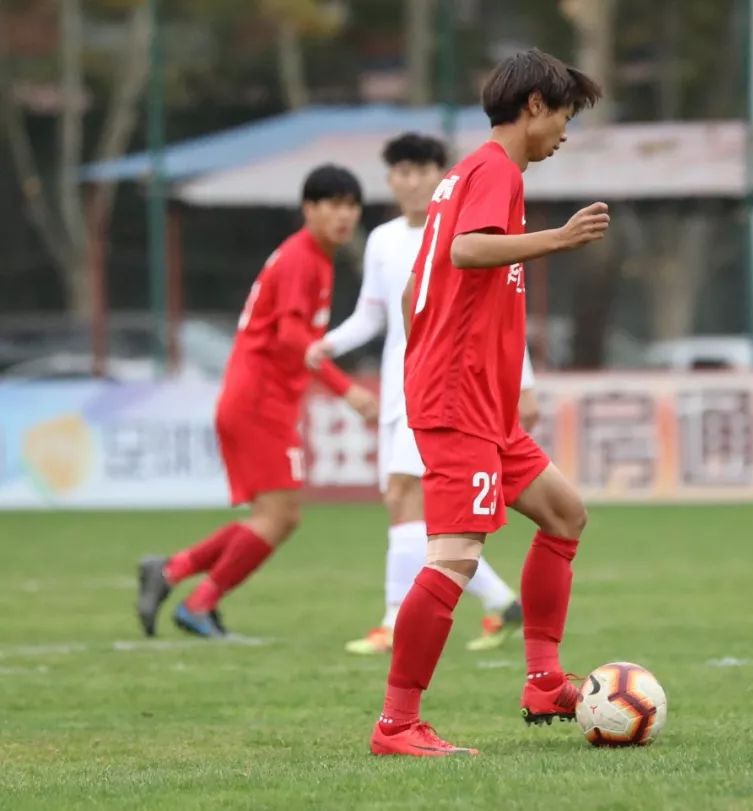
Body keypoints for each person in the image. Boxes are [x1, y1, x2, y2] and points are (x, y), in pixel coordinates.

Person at [368, 48, 607, 757]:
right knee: (455, 555)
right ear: (535, 105)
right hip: (461, 401)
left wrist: (434, 357)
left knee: (565, 513)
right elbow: (469, 251)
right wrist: (560, 240)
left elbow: (418, 288)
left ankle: (543, 680)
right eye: (563, 115)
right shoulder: (496, 171)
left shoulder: (464, 174)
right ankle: (397, 725)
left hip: (478, 400)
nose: (564, 132)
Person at [305, 133, 538, 655]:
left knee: (406, 497)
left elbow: (498, 308)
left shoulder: (459, 229)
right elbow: (373, 312)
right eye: (401, 173)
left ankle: (393, 620)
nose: (412, 182)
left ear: (440, 176)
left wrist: (524, 382)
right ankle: (500, 601)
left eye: (421, 171)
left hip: (442, 384)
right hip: (398, 383)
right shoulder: (384, 238)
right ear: (390, 181)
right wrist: (330, 344)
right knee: (406, 503)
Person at [136, 165, 377, 639]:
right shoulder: (303, 259)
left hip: (260, 400)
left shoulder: (315, 260)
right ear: (309, 209)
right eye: (332, 204)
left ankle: (169, 572)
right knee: (281, 517)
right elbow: (291, 336)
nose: (343, 215)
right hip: (257, 402)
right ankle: (198, 604)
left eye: (351, 205)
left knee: (272, 518)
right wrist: (343, 387)